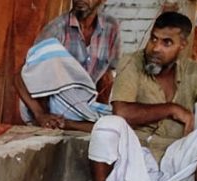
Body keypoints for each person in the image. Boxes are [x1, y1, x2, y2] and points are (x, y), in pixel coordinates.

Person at [88, 12, 197, 181]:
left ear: (182, 45)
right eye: (153, 39)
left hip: (173, 163)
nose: (155, 48)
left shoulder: (196, 72)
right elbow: (122, 112)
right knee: (107, 125)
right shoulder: (132, 62)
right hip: (133, 162)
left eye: (166, 43)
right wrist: (171, 109)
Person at [14, 0, 120, 132]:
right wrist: (41, 115)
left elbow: (107, 76)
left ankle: (74, 123)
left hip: (84, 109)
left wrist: (96, 112)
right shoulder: (56, 30)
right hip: (53, 110)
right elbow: (20, 75)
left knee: (117, 125)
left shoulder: (111, 28)